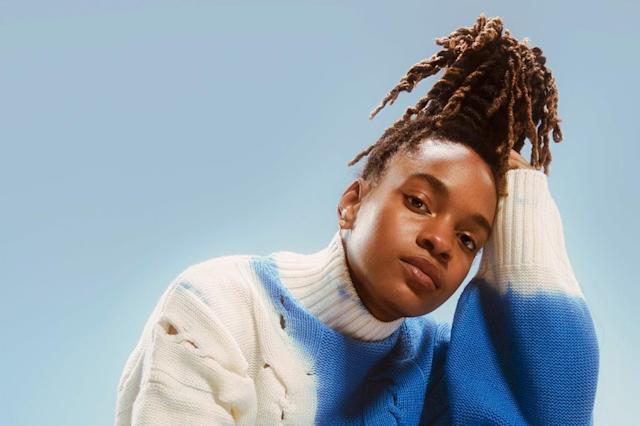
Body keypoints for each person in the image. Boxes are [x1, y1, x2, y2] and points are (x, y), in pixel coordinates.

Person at [115, 13, 599, 425]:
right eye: (419, 202)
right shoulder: (221, 304)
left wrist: (526, 202)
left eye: (469, 239)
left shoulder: (436, 370)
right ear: (352, 203)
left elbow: (556, 410)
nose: (440, 241)